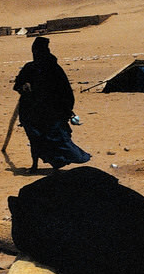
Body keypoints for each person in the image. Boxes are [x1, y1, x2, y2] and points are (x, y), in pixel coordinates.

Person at [12, 37, 90, 173]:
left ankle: (57, 164)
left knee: (55, 138)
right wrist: (24, 86)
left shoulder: (53, 69)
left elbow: (64, 90)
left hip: (51, 113)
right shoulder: (30, 68)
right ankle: (35, 165)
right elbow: (17, 85)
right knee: (35, 139)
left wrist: (66, 109)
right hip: (32, 112)